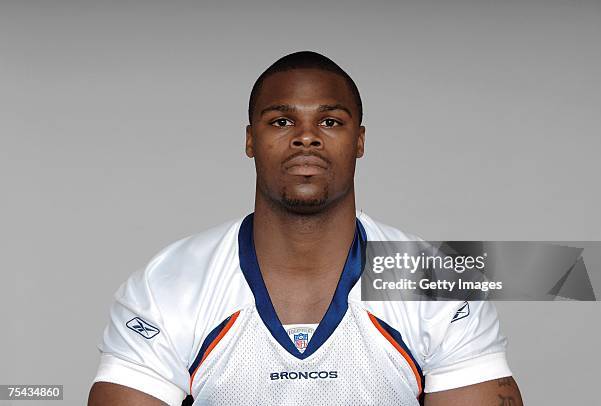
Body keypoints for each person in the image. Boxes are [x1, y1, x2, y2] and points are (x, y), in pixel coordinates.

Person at [88, 51, 523, 406]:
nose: (306, 137)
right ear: (250, 140)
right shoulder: (170, 284)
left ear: (359, 141)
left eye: (330, 122)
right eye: (281, 121)